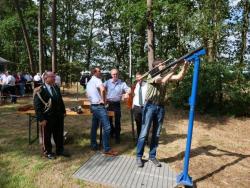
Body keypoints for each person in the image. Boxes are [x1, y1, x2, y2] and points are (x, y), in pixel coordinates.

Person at [136, 59, 189, 168]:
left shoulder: (166, 75)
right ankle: (139, 156)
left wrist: (184, 66)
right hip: (149, 105)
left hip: (160, 107)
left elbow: (179, 77)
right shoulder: (152, 75)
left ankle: (152, 156)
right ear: (156, 67)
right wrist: (175, 67)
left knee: (157, 133)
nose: (164, 65)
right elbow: (163, 80)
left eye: (164, 64)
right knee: (144, 132)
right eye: (162, 65)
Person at [33, 71, 69, 159]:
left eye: (54, 77)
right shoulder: (40, 89)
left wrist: (63, 111)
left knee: (59, 134)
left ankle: (60, 150)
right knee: (47, 135)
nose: (54, 78)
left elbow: (60, 100)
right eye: (52, 77)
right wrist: (41, 119)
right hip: (47, 117)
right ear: (46, 78)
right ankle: (47, 152)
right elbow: (37, 106)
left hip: (58, 116)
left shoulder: (56, 87)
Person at [86, 67, 118, 156]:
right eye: (99, 71)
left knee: (94, 126)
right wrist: (103, 100)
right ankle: (106, 149)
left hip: (93, 106)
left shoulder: (89, 82)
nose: (100, 72)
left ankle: (93, 145)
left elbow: (87, 94)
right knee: (107, 127)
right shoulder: (98, 80)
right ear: (95, 72)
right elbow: (103, 89)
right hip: (99, 107)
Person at [104, 68, 131, 143]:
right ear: (111, 75)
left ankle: (117, 137)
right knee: (108, 120)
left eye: (116, 74)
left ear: (118, 74)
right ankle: (111, 132)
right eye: (113, 74)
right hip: (109, 104)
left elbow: (129, 89)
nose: (115, 75)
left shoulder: (122, 83)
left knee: (117, 121)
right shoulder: (107, 82)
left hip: (116, 104)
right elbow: (101, 88)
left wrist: (126, 93)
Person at [132, 72, 148, 139]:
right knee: (138, 123)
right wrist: (133, 104)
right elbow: (135, 95)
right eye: (137, 77)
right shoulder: (137, 85)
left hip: (144, 106)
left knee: (145, 124)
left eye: (140, 77)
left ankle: (145, 139)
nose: (139, 78)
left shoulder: (147, 85)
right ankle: (139, 138)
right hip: (136, 107)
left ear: (143, 77)